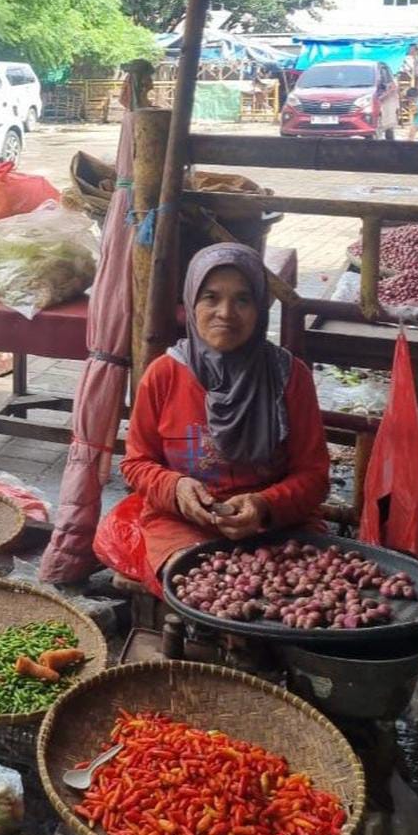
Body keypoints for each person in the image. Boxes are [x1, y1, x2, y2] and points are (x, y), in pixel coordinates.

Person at [115, 243, 330, 592]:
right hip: (184, 524)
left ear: (260, 309)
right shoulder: (164, 375)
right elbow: (136, 463)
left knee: (300, 594)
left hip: (278, 524)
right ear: (191, 304)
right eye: (211, 298)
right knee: (199, 589)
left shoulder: (290, 377)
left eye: (243, 299)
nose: (226, 313)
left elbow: (315, 476)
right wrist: (176, 488)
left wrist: (264, 504)